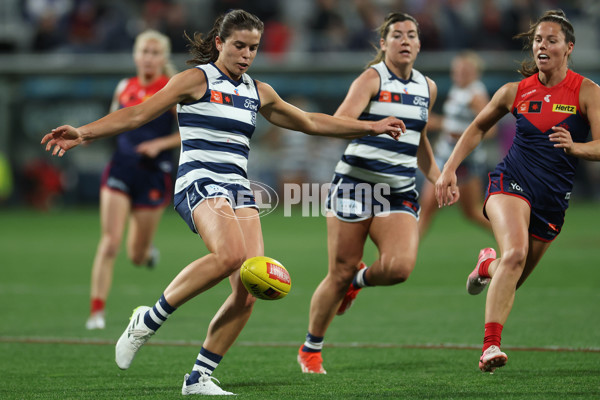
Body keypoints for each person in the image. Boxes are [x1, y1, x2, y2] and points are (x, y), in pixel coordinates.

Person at [41, 9, 406, 396]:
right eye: (239, 46)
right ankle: (148, 320)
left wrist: (370, 125)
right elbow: (138, 114)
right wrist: (83, 132)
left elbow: (312, 122)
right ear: (219, 42)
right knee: (232, 255)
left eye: (253, 48)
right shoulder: (195, 80)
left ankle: (198, 377)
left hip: (238, 189)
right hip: (198, 180)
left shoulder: (257, 91)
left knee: (249, 287)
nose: (246, 54)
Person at [435, 9, 600, 373]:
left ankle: (485, 265)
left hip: (553, 200)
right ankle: (490, 347)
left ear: (568, 47)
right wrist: (448, 169)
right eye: (538, 40)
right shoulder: (515, 91)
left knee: (511, 274)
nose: (542, 45)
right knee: (516, 254)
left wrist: (576, 147)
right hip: (511, 182)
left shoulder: (587, 91)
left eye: (551, 40)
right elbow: (477, 127)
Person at [297, 12, 444, 374]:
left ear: (420, 44)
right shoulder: (371, 78)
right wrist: (373, 126)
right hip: (356, 184)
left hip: (399, 190)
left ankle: (358, 282)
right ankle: (311, 349)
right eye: (397, 35)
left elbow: (419, 137)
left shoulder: (428, 87)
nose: (405, 41)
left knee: (398, 269)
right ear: (383, 43)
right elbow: (338, 123)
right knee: (338, 270)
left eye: (411, 35)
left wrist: (439, 177)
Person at [85, 30, 180, 330]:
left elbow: (187, 133)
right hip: (121, 168)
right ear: (136, 55)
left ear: (163, 58)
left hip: (153, 173)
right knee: (110, 242)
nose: (149, 58)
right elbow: (115, 120)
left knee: (136, 255)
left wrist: (160, 144)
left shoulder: (172, 89)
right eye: (144, 51)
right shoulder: (125, 86)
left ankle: (147, 253)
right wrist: (90, 134)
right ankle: (97, 311)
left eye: (155, 52)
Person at [418, 51, 494, 237]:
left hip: (465, 162)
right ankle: (404, 254)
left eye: (464, 71)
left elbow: (491, 131)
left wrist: (453, 131)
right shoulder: (458, 90)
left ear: (475, 73)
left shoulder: (476, 95)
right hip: (445, 157)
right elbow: (452, 122)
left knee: (472, 212)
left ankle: (514, 238)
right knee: (427, 208)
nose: (458, 74)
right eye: (456, 71)